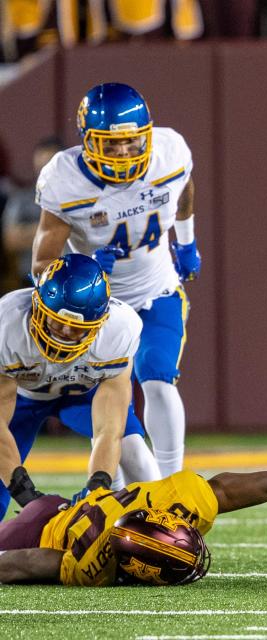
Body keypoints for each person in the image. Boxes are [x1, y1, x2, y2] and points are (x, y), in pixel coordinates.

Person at [31, 83, 200, 481]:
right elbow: (40, 266)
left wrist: (187, 242)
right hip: (96, 310)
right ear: (88, 142)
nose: (124, 153)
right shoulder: (65, 179)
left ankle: (173, 484)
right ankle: (116, 493)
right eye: (112, 145)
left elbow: (185, 190)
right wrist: (87, 266)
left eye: (131, 143)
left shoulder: (169, 152)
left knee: (158, 377)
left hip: (155, 289)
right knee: (110, 406)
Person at [0, 426, 267, 586]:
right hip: (43, 526)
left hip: (97, 509)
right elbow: (23, 562)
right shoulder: (93, 563)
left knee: (134, 443)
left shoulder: (181, 500)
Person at [0, 254, 159, 519]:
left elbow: (109, 430)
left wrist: (98, 486)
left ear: (100, 323)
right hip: (24, 398)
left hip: (83, 395)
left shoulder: (120, 330)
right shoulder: (7, 324)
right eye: (56, 320)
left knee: (136, 454)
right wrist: (26, 494)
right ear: (37, 304)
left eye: (76, 328)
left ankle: (164, 530)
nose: (63, 332)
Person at [3, 137, 62, 287]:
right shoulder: (22, 198)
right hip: (30, 280)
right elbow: (10, 240)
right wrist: (57, 228)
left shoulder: (78, 199)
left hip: (71, 278)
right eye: (41, 165)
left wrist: (31, 232)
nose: (44, 170)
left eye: (49, 164)